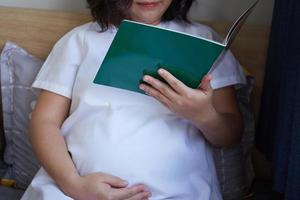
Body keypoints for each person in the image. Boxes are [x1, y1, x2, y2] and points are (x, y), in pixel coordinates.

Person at [21, 0, 246, 199]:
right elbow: (44, 122)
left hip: (180, 192)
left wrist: (204, 116)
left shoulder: (204, 42)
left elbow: (231, 136)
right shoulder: (79, 40)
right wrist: (74, 184)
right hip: (75, 191)